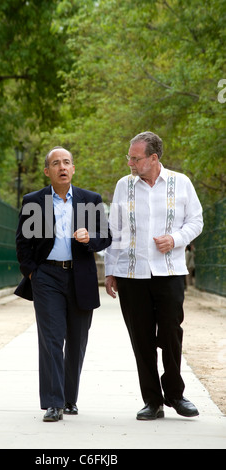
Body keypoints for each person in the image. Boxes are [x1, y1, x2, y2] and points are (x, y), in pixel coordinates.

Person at [105, 131, 203, 420]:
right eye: (129, 158)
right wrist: (111, 271)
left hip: (170, 271)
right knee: (141, 338)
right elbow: (115, 230)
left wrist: (176, 239)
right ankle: (152, 401)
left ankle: (175, 394)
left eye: (135, 158)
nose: (130, 163)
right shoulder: (124, 186)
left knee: (171, 333)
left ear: (153, 158)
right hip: (131, 274)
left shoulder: (181, 182)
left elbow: (196, 220)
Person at [15, 146, 112, 422]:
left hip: (80, 277)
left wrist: (88, 239)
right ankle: (53, 403)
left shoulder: (90, 199)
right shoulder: (33, 200)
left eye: (67, 162)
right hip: (46, 277)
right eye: (56, 163)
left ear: (73, 168)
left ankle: (70, 399)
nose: (62, 167)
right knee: (52, 339)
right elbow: (22, 242)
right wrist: (33, 273)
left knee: (77, 340)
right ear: (48, 171)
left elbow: (105, 237)